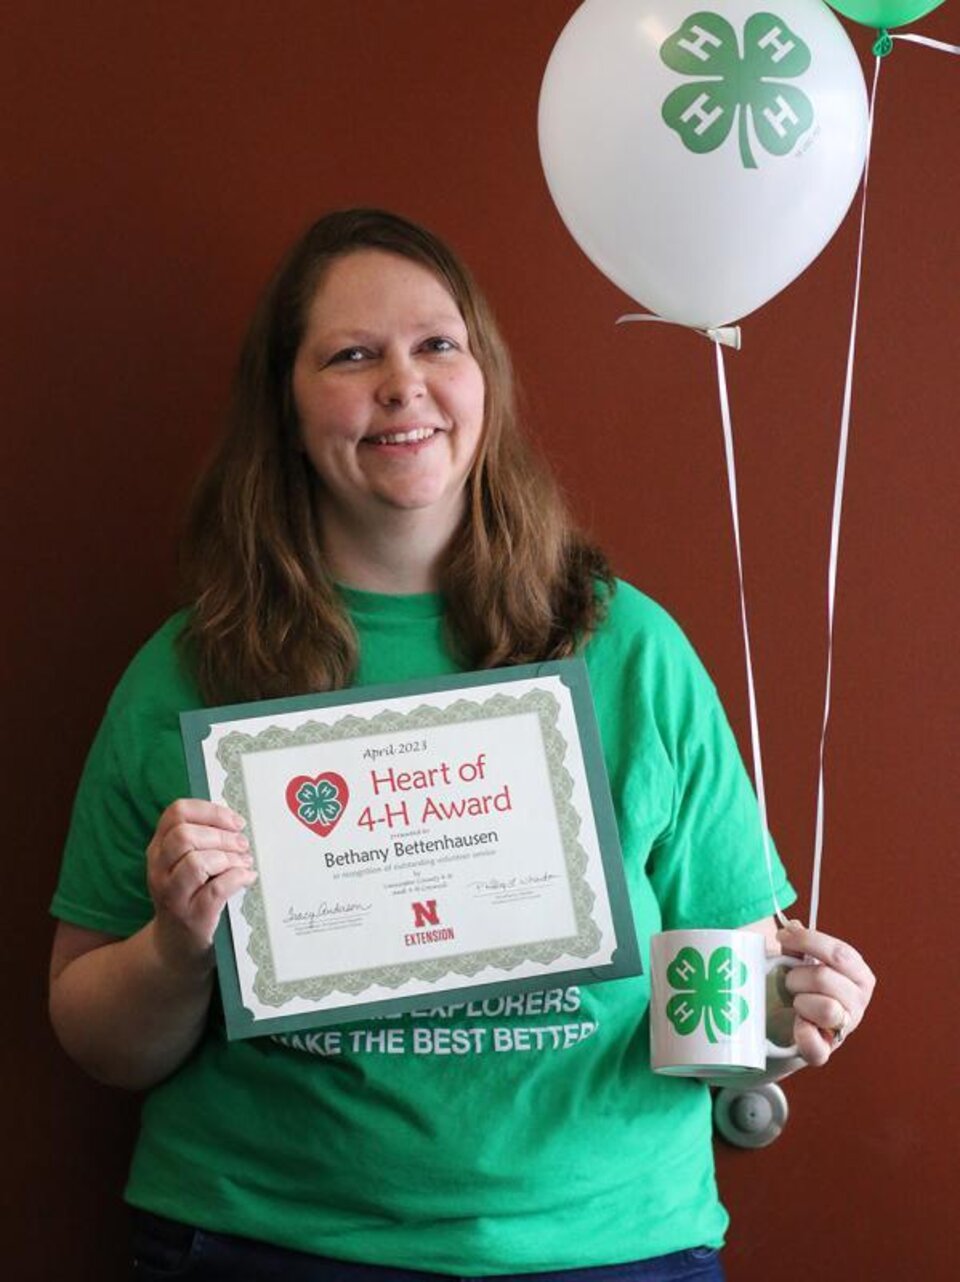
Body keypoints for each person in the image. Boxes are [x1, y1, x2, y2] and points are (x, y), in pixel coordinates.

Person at [49, 208, 875, 1281]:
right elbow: (97, 1039)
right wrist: (175, 944)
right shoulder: (191, 668)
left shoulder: (630, 649)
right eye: (353, 355)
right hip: (268, 1240)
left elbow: (731, 990)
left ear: (484, 378)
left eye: (438, 344)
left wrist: (787, 1013)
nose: (405, 383)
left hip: (607, 1241)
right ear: (287, 412)